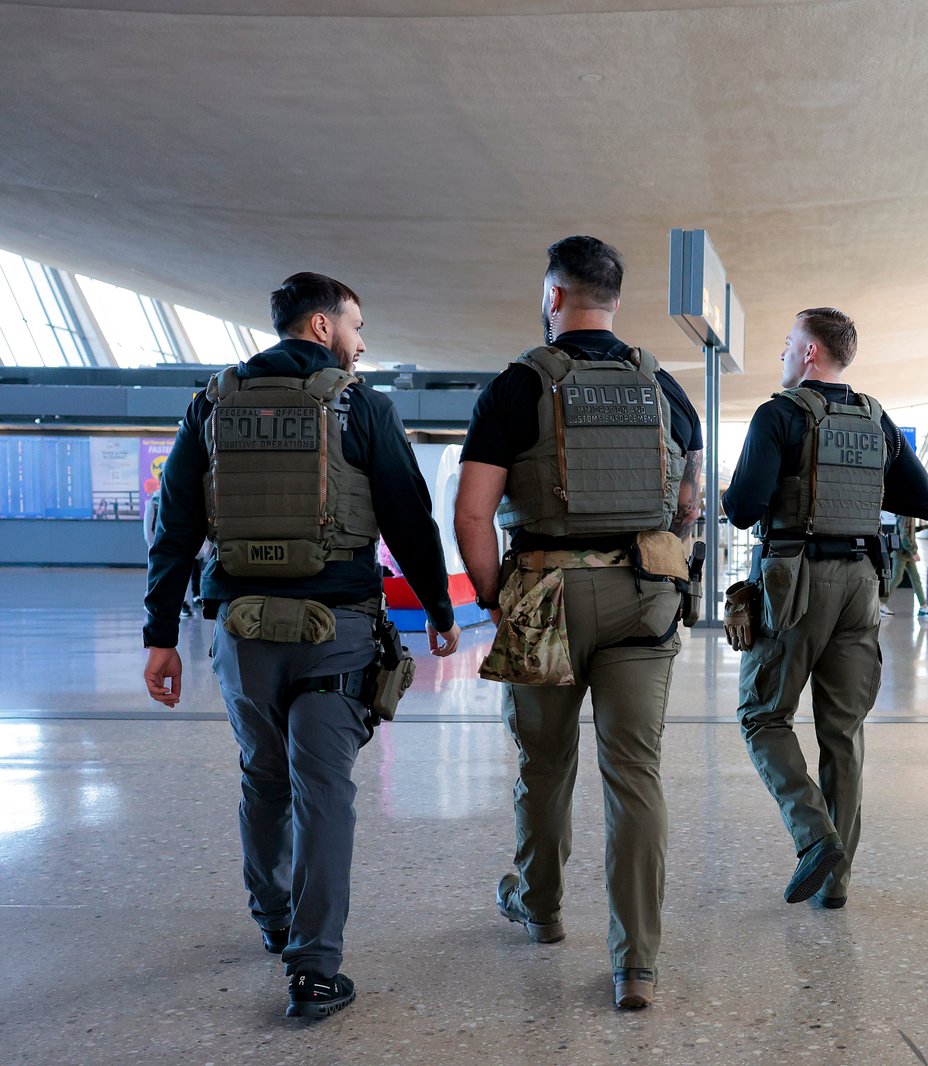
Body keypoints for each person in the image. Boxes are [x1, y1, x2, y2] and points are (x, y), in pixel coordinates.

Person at [142, 272, 461, 1019]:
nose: (361, 342)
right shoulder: (360, 405)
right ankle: (315, 968)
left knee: (263, 776)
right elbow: (408, 516)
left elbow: (176, 527)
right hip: (337, 630)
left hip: (241, 630)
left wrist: (161, 636)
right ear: (321, 326)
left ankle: (274, 918)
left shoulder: (211, 404)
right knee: (324, 790)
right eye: (356, 327)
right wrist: (441, 608)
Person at [454, 236, 703, 1012]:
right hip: (643, 593)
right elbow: (690, 499)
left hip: (546, 592)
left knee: (544, 764)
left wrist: (500, 597)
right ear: (615, 300)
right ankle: (637, 964)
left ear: (553, 296)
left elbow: (469, 512)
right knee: (635, 774)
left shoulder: (517, 386)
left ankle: (543, 908)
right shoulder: (662, 385)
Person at [722, 307, 928, 909]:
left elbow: (742, 507)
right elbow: (922, 499)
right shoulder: (877, 419)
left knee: (763, 716)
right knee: (842, 730)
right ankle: (836, 884)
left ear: (810, 352)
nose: (784, 353)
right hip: (863, 586)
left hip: (796, 584)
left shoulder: (779, 414)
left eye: (788, 342)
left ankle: (815, 836)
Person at [880, 512, 928, 618]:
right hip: (902, 553)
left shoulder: (907, 515)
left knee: (916, 579)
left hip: (906, 553)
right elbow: (904, 536)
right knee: (896, 579)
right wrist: (913, 552)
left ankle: (923, 607)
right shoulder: (906, 515)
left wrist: (925, 526)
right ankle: (880, 604)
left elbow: (911, 531)